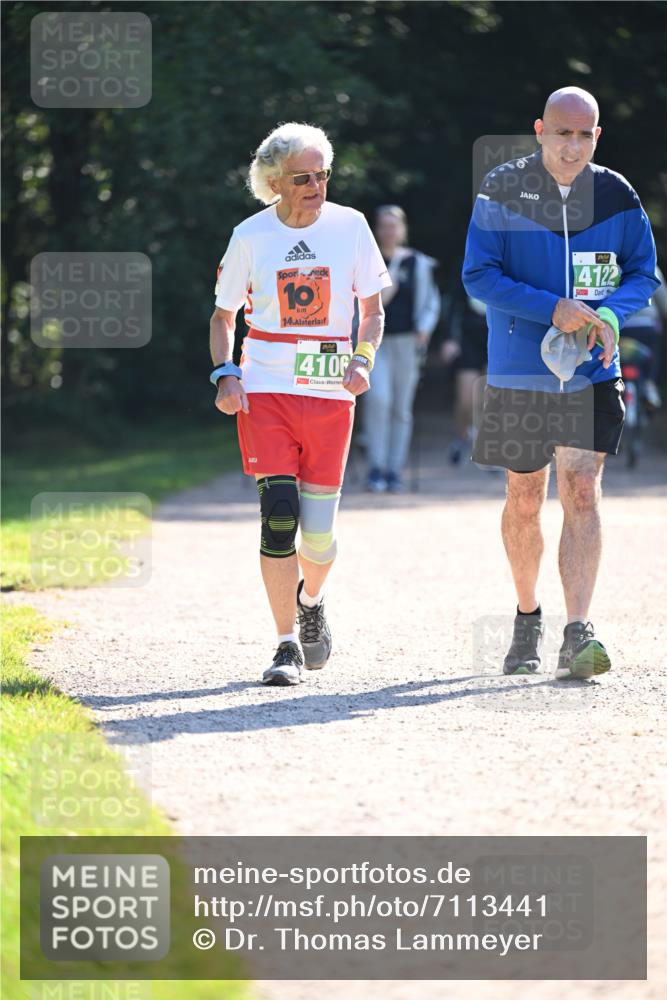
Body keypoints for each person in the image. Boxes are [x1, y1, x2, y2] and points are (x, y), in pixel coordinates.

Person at [462, 86, 659, 680]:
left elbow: (643, 272)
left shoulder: (616, 194)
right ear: (540, 130)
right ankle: (528, 616)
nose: (572, 145)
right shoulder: (502, 187)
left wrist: (613, 316)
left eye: (584, 134)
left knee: (580, 486)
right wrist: (553, 308)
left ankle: (579, 630)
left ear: (596, 136)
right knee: (524, 497)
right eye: (562, 132)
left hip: (592, 368)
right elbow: (478, 274)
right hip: (520, 368)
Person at [210, 122, 390, 686]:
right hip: (266, 389)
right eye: (303, 177)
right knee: (278, 515)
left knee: (319, 536)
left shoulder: (352, 227)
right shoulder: (249, 236)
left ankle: (312, 601)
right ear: (274, 181)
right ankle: (285, 643)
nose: (316, 186)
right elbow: (223, 317)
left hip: (330, 392)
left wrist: (362, 359)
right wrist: (226, 374)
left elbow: (374, 311)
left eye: (323, 175)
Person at [362, 205, 440, 493]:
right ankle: (375, 467)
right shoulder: (369, 261)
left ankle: (394, 469)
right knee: (378, 401)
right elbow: (371, 301)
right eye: (383, 225)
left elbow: (431, 302)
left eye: (394, 225)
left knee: (401, 409)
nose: (389, 231)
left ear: (403, 229)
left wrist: (425, 328)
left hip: (408, 343)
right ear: (376, 229)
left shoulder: (418, 262)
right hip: (374, 342)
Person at [439, 275, 489, 464]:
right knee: (466, 400)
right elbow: (452, 305)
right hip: (467, 341)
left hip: (495, 338)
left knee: (488, 398)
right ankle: (461, 437)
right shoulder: (464, 267)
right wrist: (449, 338)